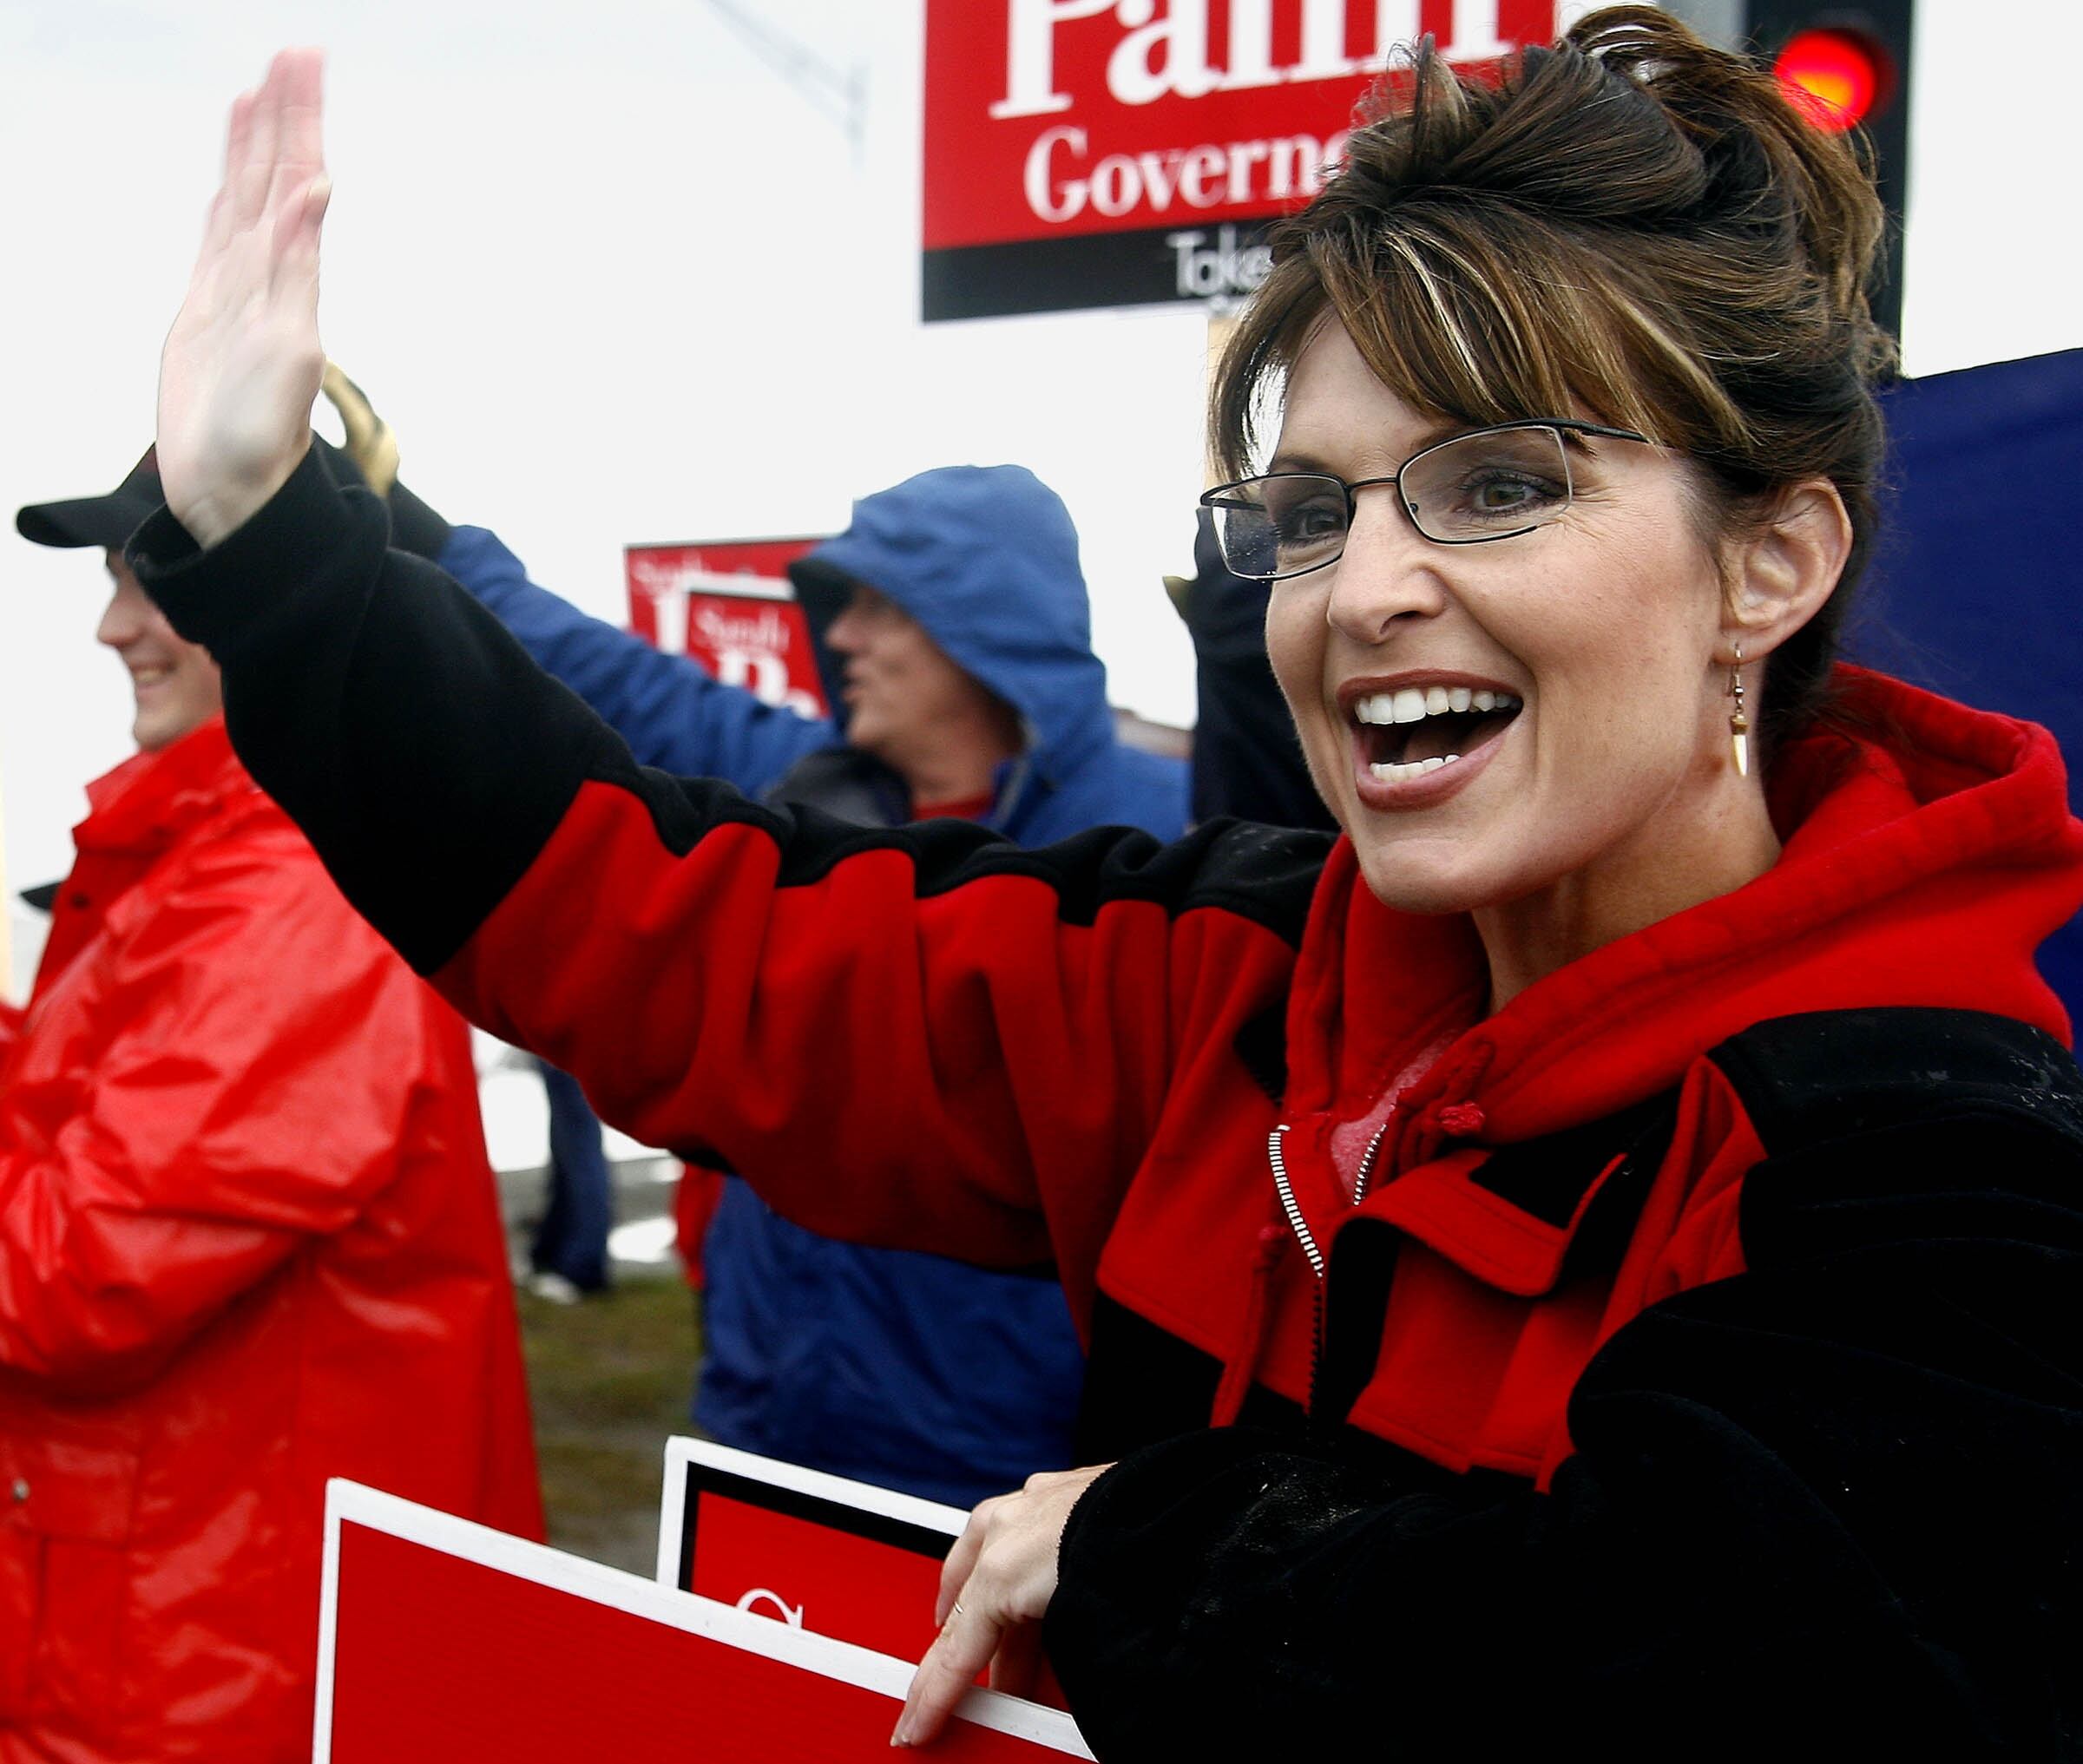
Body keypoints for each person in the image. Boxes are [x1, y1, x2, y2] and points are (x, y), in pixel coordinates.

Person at [135, 12, 2083, 1759]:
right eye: (1308, 513)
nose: (1362, 590)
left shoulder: (1936, 1175)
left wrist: (1148, 1543)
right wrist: (273, 546)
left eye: (1501, 484)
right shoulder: (1234, 982)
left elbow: (1704, 1680)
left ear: (1771, 564)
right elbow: (690, 929)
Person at [324, 376, 1188, 1504]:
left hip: (1005, 1470)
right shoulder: (805, 793)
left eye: (878, 606)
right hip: (765, 1419)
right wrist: (407, 521)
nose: (840, 636)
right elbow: (608, 677)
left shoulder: (1162, 840)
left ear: (983, 629)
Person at [2, 446, 542, 1764]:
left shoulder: (290, 884)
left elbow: (74, 1273)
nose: (113, 625)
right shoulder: (199, 859)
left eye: (153, 582)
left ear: (284, 597)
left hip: (223, 1650)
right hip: (169, 1607)